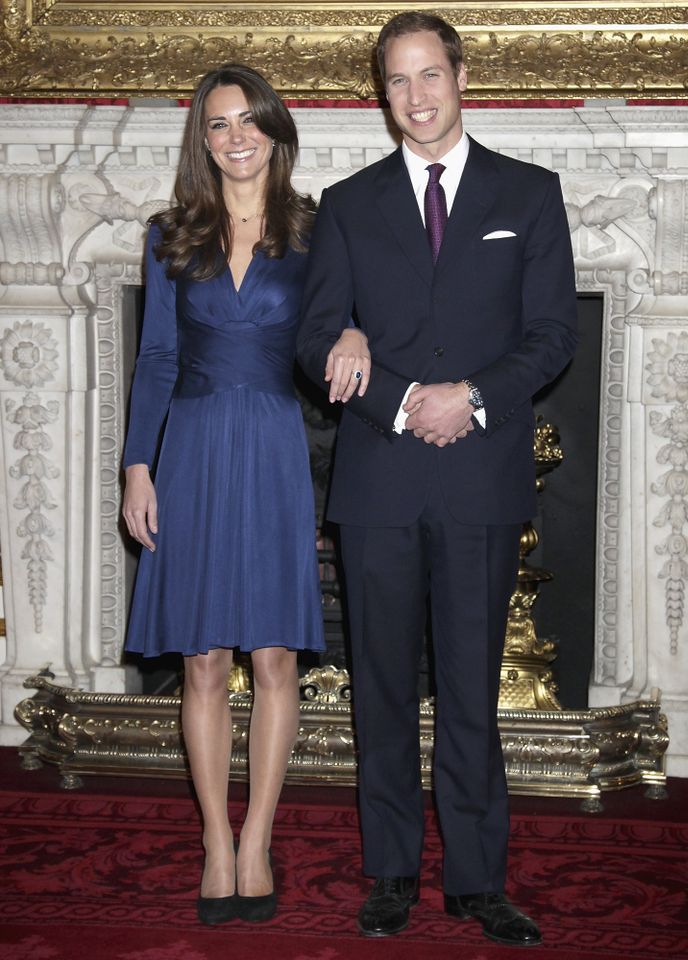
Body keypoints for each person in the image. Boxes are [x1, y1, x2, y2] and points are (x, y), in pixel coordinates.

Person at [297, 12, 578, 947]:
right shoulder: (345, 203)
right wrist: (400, 391)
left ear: (460, 76)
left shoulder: (529, 195)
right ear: (381, 96)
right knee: (378, 684)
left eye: (428, 76)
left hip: (480, 477)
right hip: (377, 480)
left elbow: (551, 337)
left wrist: (471, 399)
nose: (413, 97)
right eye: (395, 82)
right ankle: (388, 873)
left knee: (468, 685)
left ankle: (475, 879)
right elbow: (316, 336)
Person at [121, 64, 368, 927]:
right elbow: (155, 358)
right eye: (219, 124)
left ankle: (257, 837)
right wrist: (136, 468)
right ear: (204, 137)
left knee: (270, 657)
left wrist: (353, 330)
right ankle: (214, 843)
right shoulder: (169, 236)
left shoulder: (315, 230)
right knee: (200, 659)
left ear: (274, 129)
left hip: (269, 445)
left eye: (248, 120)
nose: (235, 137)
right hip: (187, 447)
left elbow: (337, 323)